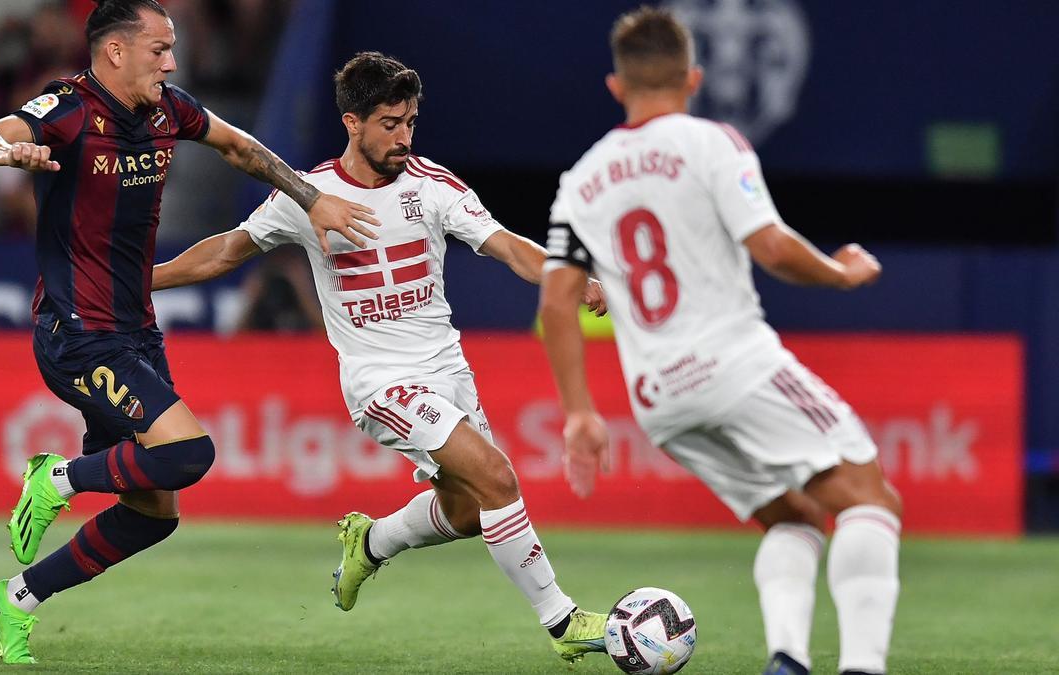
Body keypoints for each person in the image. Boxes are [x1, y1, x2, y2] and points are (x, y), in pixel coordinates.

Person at [153, 51, 612, 664]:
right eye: (390, 123)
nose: (404, 136)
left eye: (411, 122)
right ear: (352, 122)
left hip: (447, 370)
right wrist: (142, 280)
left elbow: (504, 246)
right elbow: (226, 252)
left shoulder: (434, 187)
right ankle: (563, 621)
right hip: (380, 382)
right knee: (499, 477)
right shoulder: (310, 196)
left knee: (470, 511)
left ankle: (369, 543)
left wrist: (565, 276)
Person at [0, 0, 377, 664]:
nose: (173, 62)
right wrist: (4, 154)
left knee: (152, 515)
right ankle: (58, 476)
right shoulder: (65, 109)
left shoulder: (168, 111)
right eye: (159, 49)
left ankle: (16, 598)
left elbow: (240, 147)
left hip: (134, 335)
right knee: (189, 453)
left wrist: (312, 197)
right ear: (116, 52)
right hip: (76, 333)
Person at [537, 8, 901, 675]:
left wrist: (580, 410)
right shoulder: (712, 142)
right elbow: (770, 245)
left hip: (660, 399)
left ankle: (788, 660)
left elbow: (558, 303)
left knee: (792, 517)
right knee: (869, 498)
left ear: (616, 88)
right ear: (693, 78)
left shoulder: (582, 179)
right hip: (735, 363)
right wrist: (841, 272)